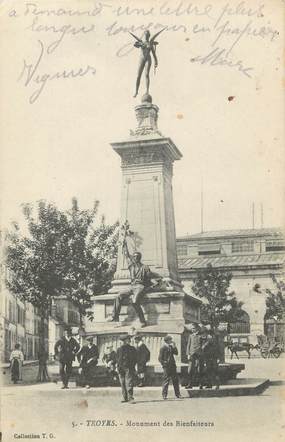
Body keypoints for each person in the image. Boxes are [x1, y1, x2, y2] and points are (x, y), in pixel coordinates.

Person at [108, 229, 162, 327]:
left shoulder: (145, 267)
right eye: (134, 256)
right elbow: (126, 254)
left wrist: (158, 281)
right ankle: (114, 317)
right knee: (119, 295)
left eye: (137, 256)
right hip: (132, 286)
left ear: (139, 258)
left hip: (140, 286)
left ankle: (142, 321)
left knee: (135, 301)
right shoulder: (131, 266)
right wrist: (124, 243)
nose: (135, 258)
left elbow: (152, 276)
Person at [129, 29, 166, 97]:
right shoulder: (141, 42)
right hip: (142, 59)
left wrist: (156, 61)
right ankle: (136, 91)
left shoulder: (150, 43)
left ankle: (147, 91)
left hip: (148, 59)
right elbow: (135, 45)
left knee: (146, 74)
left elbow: (154, 53)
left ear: (149, 36)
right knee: (138, 76)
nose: (146, 35)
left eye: (147, 34)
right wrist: (139, 44)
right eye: (145, 34)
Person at [158, 335, 182, 400]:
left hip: (173, 366)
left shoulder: (171, 347)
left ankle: (178, 394)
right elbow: (160, 358)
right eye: (170, 340)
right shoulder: (163, 348)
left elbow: (176, 353)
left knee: (175, 380)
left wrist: (174, 346)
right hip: (167, 367)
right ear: (167, 341)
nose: (171, 341)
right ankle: (164, 395)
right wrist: (164, 364)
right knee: (166, 381)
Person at [116, 335, 137, 403]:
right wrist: (118, 367)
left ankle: (130, 398)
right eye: (121, 341)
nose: (129, 341)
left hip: (129, 368)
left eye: (129, 339)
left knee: (129, 383)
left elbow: (135, 359)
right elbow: (118, 359)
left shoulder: (132, 349)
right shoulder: (119, 349)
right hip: (121, 368)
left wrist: (133, 367)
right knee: (122, 383)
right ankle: (124, 397)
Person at [185, 323, 201, 389]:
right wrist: (188, 354)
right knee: (190, 370)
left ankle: (200, 384)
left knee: (199, 369)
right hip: (191, 355)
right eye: (192, 328)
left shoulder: (200, 336)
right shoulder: (190, 336)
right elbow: (188, 345)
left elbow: (203, 344)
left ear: (197, 329)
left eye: (193, 328)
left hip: (198, 355)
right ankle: (190, 384)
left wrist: (200, 350)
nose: (192, 329)